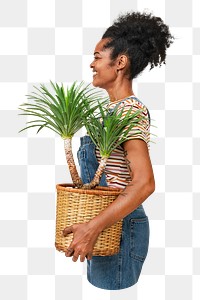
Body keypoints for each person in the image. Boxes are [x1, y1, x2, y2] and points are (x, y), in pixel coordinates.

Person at [63, 11, 174, 290]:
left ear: (120, 62)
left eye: (98, 56)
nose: (92, 63)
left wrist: (92, 226)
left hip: (121, 231)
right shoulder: (110, 111)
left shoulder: (129, 111)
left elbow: (145, 183)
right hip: (108, 228)